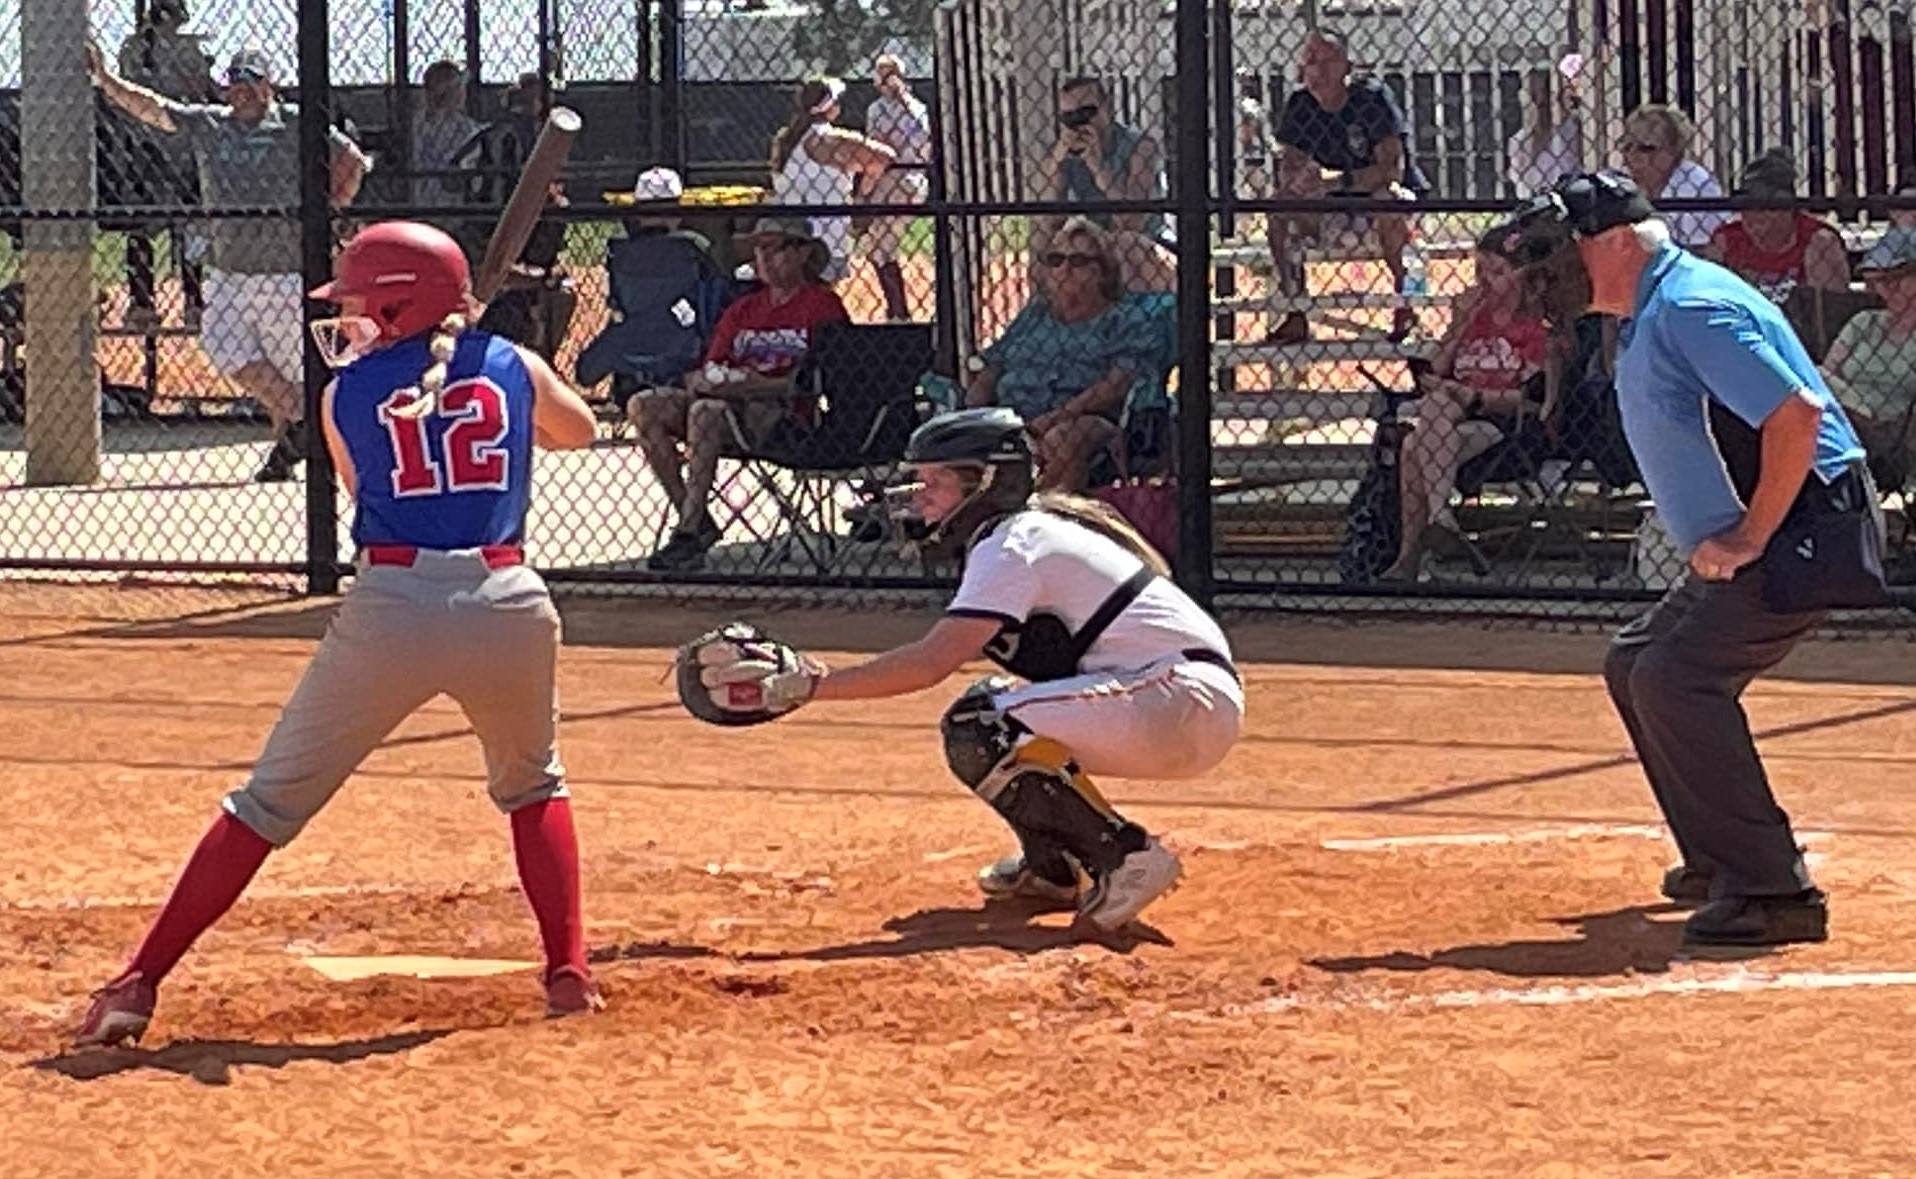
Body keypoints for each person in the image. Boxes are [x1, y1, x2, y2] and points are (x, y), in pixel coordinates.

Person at [72, 222, 604, 1048]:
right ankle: (568, 971)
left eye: (358, 302)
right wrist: (502, 362)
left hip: (391, 603)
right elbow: (581, 432)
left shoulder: (341, 394)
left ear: (397, 304)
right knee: (534, 785)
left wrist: (454, 368)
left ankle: (138, 982)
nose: (346, 315)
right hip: (509, 602)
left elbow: (369, 491)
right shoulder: (511, 365)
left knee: (266, 803)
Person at [1491, 171, 1878, 947]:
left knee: (1677, 679)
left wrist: (1751, 537)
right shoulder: (1650, 306)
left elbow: (1796, 418)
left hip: (1803, 528)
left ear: (1619, 243)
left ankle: (1775, 891)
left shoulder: (1693, 306)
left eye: (1560, 251)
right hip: (1776, 527)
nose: (1545, 273)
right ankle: (1720, 853)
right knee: (1637, 660)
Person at [695, 407, 1244, 929]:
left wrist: (809, 685)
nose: (921, 498)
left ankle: (1128, 857)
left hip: (1175, 699)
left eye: (936, 483)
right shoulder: (1019, 535)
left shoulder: (1014, 542)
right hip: (1177, 703)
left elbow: (932, 661)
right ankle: (1055, 869)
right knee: (987, 710)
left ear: (988, 483)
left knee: (982, 726)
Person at [88, 39, 371, 482]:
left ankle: (287, 455)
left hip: (282, 269)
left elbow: (353, 159)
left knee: (288, 368)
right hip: (227, 268)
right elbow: (153, 108)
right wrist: (107, 81)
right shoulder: (210, 125)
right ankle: (307, 425)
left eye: (250, 80)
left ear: (268, 85)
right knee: (225, 346)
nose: (240, 89)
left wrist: (330, 209)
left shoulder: (295, 122)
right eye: (234, 81)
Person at [627, 216, 849, 571]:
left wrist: (753, 384)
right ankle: (697, 519)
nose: (762, 258)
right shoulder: (744, 309)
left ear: (802, 253)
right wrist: (704, 380)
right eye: (758, 249)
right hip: (726, 405)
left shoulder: (822, 306)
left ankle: (686, 533)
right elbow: (711, 366)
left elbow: (821, 379)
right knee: (644, 406)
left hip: (781, 413)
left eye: (773, 248)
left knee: (706, 413)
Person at [1381, 229, 1553, 581]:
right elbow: (1434, 369)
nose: (1486, 283)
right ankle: (1439, 520)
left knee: (1416, 442)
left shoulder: (1536, 326)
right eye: (1480, 273)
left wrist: (1471, 396)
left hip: (1504, 425)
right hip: (1451, 421)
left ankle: (1413, 554)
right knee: (1434, 410)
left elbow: (1532, 399)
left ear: (1523, 275)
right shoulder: (1474, 317)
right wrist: (1458, 325)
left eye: (1498, 273)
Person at [963, 216, 1167, 493]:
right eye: (1056, 259)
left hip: (1085, 418)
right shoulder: (1034, 316)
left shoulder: (1123, 318)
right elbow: (993, 366)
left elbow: (1116, 385)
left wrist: (1054, 418)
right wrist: (971, 413)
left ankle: (1041, 510)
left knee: (1064, 438)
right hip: (1011, 415)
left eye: (1078, 261)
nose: (1065, 269)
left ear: (1103, 271)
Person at [1266, 28, 1428, 345]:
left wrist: (1335, 180)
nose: (1319, 71)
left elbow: (1391, 170)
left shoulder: (1371, 98)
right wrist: (1298, 180)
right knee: (1279, 208)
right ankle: (1295, 308)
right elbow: (1290, 164)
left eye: (1329, 61)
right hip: (1329, 210)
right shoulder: (1300, 105)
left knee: (1388, 198)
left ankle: (1406, 302)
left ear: (1347, 67)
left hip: (1377, 207)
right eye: (1311, 61)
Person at [771, 76, 896, 285]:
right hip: (824, 238)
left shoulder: (787, 139)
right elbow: (885, 156)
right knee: (819, 298)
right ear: (828, 106)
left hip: (788, 231)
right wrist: (863, 190)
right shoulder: (827, 139)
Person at [1821, 226, 1916, 490]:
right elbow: (1828, 371)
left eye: (1897, 279)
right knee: (1812, 376)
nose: (1887, 289)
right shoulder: (1865, 322)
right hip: (1848, 417)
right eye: (1880, 281)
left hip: (1899, 427)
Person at [1703, 148, 1850, 305]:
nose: (1752, 215)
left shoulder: (1815, 240)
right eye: (1746, 206)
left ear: (1787, 209)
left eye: (1765, 207)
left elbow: (1832, 313)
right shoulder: (1728, 240)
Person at [861, 54, 932, 322]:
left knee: (880, 251)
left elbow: (877, 152)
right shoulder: (920, 107)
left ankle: (898, 310)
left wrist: (865, 191)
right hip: (916, 180)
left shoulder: (878, 109)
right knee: (882, 247)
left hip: (891, 181)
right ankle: (897, 308)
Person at [1618, 103, 1729, 250]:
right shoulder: (1621, 182)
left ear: (1674, 150)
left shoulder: (1696, 183)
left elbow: (1697, 247)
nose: (1632, 155)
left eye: (1646, 147)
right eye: (1627, 147)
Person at [1505, 57, 1582, 196]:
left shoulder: (1574, 131)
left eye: (1545, 96)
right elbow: (1522, 188)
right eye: (1535, 97)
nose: (1541, 103)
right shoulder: (1518, 143)